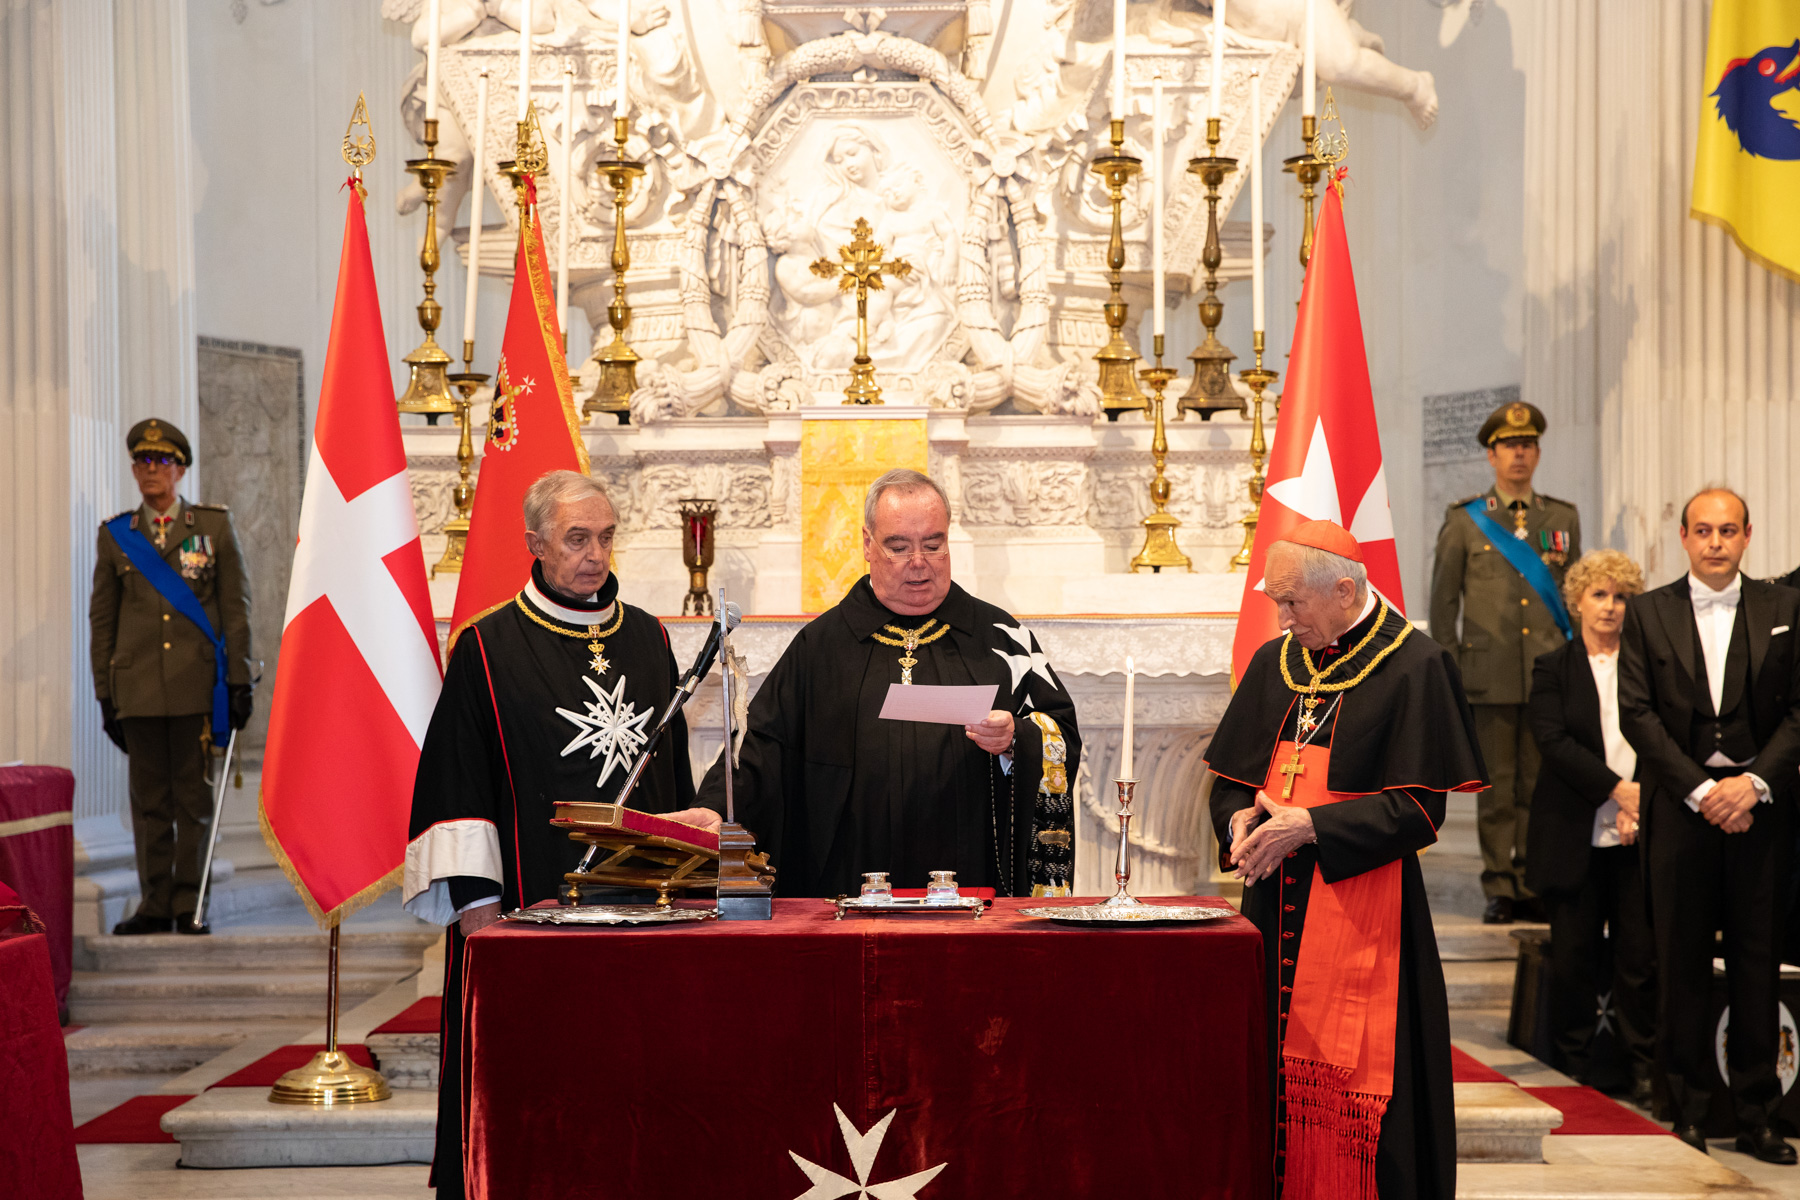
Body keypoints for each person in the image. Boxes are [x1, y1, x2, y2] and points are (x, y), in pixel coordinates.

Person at [403, 469, 709, 1198]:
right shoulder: (487, 646)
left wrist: (697, 869)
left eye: (605, 537)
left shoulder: (648, 637)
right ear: (536, 543)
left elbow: (670, 775)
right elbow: (456, 786)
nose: (595, 554)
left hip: (645, 911)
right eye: (577, 539)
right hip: (532, 914)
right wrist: (481, 914)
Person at [1207, 520, 1483, 1200]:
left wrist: (1312, 826)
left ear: (1343, 588)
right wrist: (1239, 819)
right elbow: (1231, 782)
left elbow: (1422, 809)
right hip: (1271, 903)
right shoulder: (1276, 664)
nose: (1281, 617)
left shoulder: (1416, 665)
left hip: (1367, 911)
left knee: (1367, 1092)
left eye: (1292, 601)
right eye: (1276, 600)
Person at [698, 468, 1080, 898]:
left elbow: (1061, 731)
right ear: (867, 544)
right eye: (898, 547)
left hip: (972, 886)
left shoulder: (999, 637)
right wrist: (712, 807)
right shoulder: (821, 646)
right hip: (848, 888)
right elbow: (761, 744)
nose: (918, 563)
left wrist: (1016, 739)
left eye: (933, 545)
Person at [1620, 488, 1800, 1162]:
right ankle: (1686, 1109)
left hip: (1761, 812)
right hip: (1681, 813)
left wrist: (1751, 786)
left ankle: (1759, 1115)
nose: (1716, 542)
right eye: (1703, 530)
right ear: (1684, 536)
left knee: (1758, 964)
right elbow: (1637, 714)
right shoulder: (1646, 611)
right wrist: (1702, 790)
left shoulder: (1787, 608)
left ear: (1748, 535)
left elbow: (1799, 712)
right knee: (1682, 965)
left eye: (1728, 530)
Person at [89, 418, 253, 937]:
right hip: (136, 690)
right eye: (142, 461)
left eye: (161, 461)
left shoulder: (212, 528)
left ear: (180, 469)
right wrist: (104, 694)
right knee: (148, 804)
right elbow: (103, 621)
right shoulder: (117, 536)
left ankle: (190, 902)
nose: (151, 471)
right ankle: (156, 904)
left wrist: (240, 680)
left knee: (193, 801)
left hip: (193, 687)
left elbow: (236, 609)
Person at [1429, 399, 1581, 924]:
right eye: (1509, 447)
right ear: (1491, 456)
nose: (1519, 455)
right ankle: (1500, 885)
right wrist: (1449, 675)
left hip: (1547, 673)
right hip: (1487, 676)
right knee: (1497, 787)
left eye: (1527, 445)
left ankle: (1533, 880)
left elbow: (1575, 597)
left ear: (1537, 454)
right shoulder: (1467, 522)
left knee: (1540, 787)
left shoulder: (1561, 517)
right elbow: (1443, 606)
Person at [1523, 550, 1655, 1107]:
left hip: (1641, 832)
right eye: (1598, 595)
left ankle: (1644, 1068)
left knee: (1639, 958)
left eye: (1620, 596)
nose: (1609, 607)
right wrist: (1617, 791)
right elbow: (1553, 742)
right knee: (1574, 957)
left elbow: (1664, 736)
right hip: (1574, 830)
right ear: (1577, 602)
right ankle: (1574, 1066)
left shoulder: (1653, 665)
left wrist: (1640, 799)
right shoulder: (1553, 667)